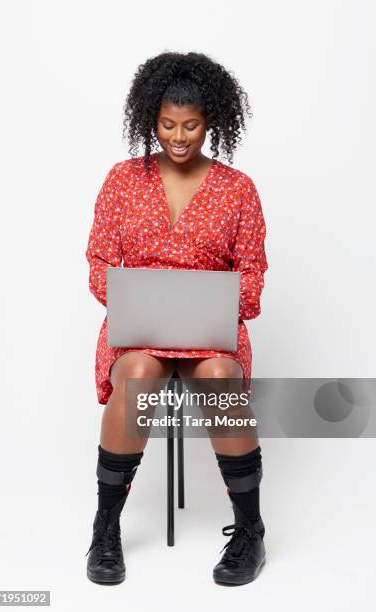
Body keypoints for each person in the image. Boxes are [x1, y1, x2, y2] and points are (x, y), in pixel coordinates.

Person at [84, 51, 269, 586]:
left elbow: (253, 275)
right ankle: (106, 526)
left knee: (218, 378)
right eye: (167, 124)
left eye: (191, 125)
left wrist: (221, 307)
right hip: (137, 329)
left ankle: (251, 529)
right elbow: (97, 260)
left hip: (210, 333)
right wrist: (124, 299)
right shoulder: (123, 181)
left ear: (212, 121)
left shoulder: (238, 190)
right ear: (151, 119)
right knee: (138, 375)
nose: (179, 136)